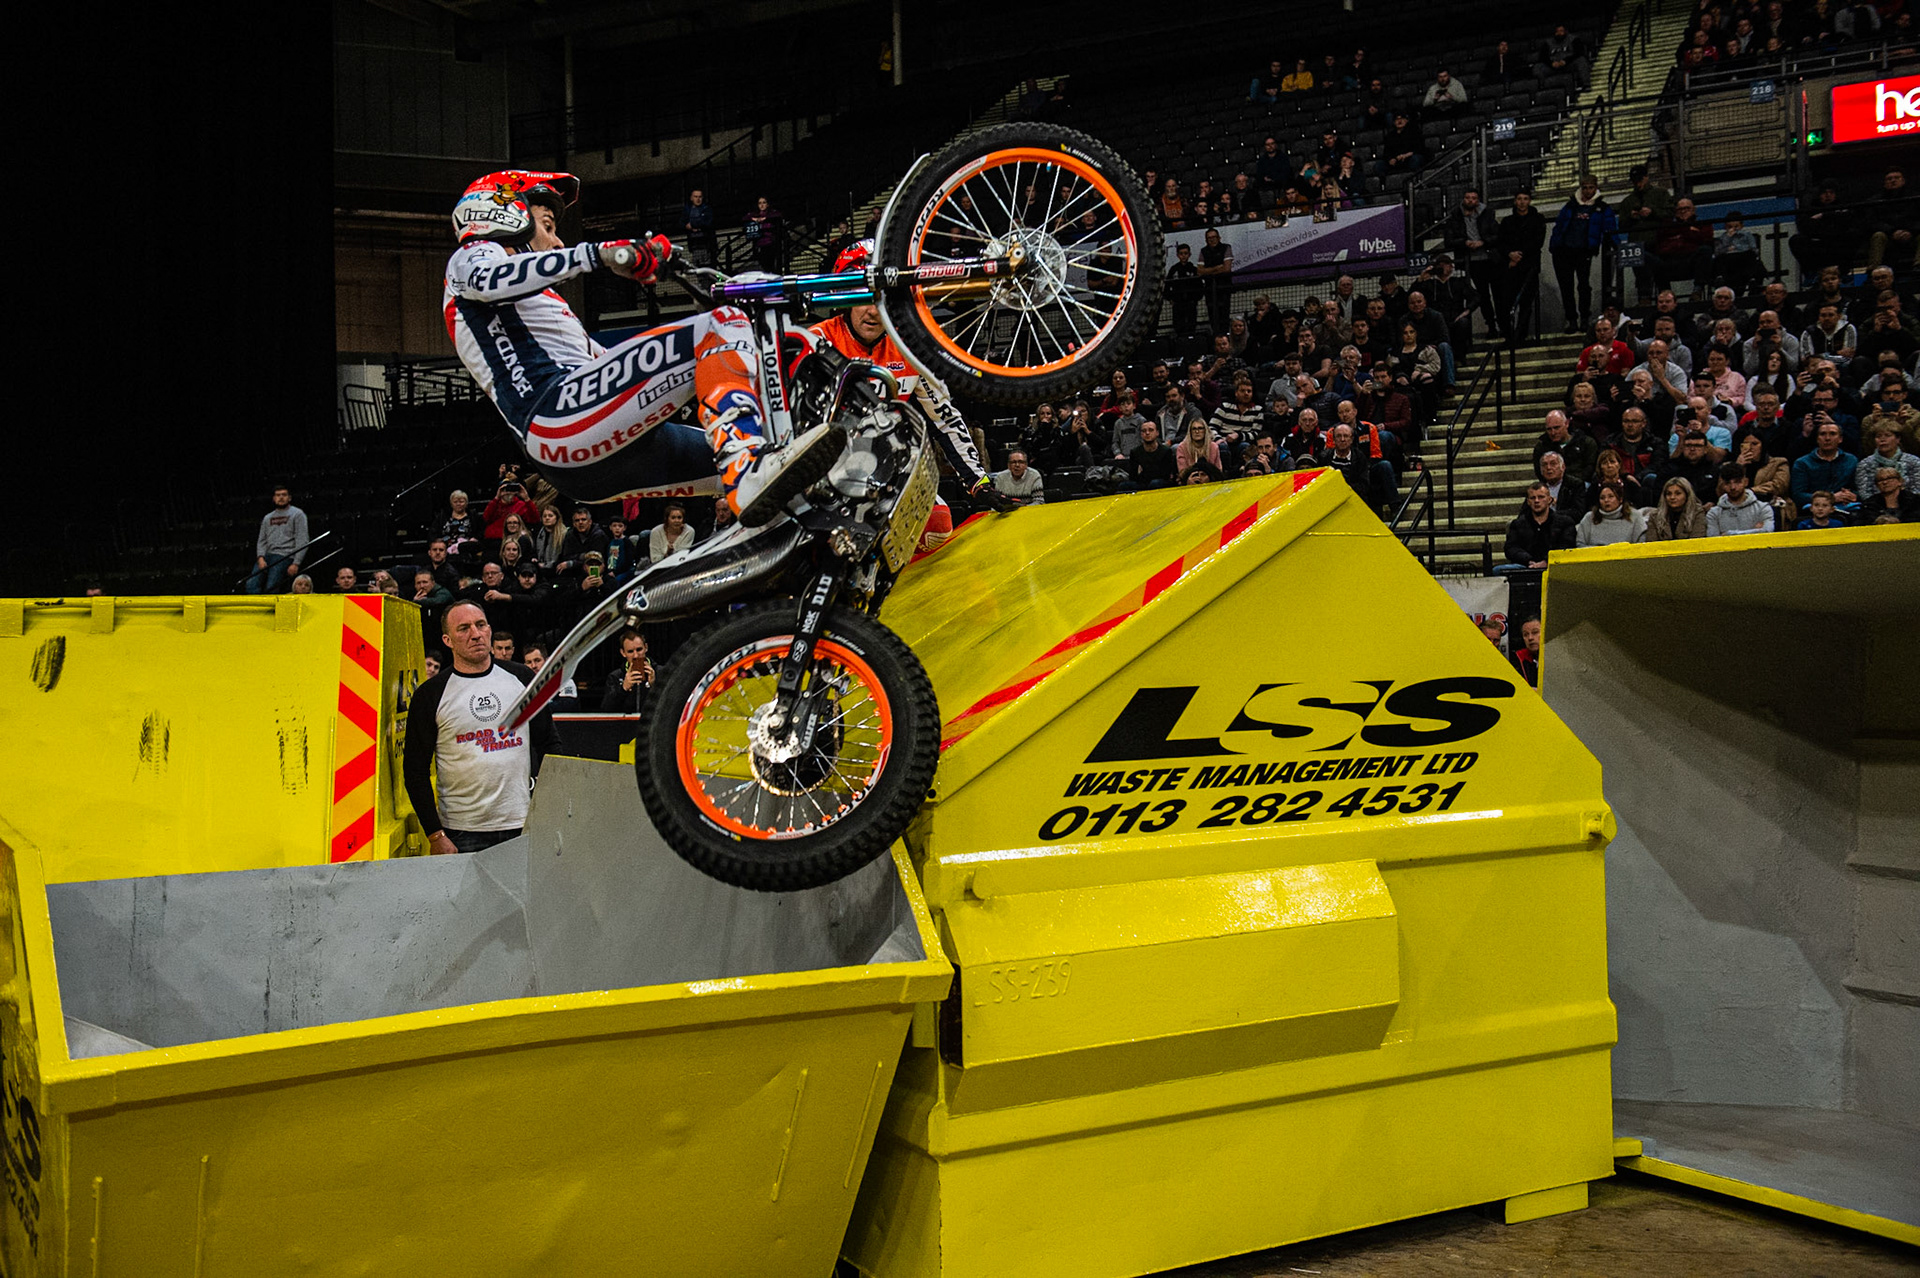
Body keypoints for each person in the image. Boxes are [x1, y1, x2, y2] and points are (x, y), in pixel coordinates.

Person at [444, 170, 844, 527]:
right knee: (722, 325)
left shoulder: (539, 304)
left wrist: (694, 381)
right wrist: (601, 254)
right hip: (558, 418)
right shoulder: (473, 256)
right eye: (547, 224)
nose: (557, 239)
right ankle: (747, 469)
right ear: (505, 214)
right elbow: (488, 278)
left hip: (589, 442)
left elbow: (607, 369)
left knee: (790, 475)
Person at [804, 241, 999, 500]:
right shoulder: (813, 341)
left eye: (883, 298)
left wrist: (979, 483)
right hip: (820, 469)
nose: (873, 311)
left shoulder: (911, 347)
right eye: (863, 296)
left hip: (882, 468)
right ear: (844, 296)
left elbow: (945, 419)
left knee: (940, 522)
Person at [402, 601, 556, 856]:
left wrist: (549, 807)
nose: (475, 634)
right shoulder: (430, 695)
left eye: (480, 625)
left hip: (523, 823)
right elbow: (415, 771)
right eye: (463, 628)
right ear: (447, 639)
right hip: (461, 831)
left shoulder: (523, 679)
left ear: (489, 629)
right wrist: (435, 834)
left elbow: (549, 743)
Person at [1550, 175, 1618, 333]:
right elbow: (1559, 226)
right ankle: (1572, 319)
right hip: (1563, 251)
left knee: (1584, 286)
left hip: (1584, 252)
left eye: (1591, 187)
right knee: (1566, 287)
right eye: (1585, 187)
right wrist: (1554, 245)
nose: (1588, 191)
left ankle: (1585, 319)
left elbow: (1610, 229)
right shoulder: (1570, 206)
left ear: (1595, 188)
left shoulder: (1602, 208)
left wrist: (1616, 245)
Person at [1494, 191, 1547, 339]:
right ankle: (1508, 333)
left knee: (1526, 303)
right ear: (1515, 201)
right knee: (1506, 301)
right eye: (1519, 199)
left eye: (1525, 199)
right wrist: (1510, 254)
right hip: (1510, 266)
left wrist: (1519, 256)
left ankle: (1521, 334)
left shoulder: (1537, 219)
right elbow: (1500, 242)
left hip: (1529, 267)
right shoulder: (1507, 221)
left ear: (1529, 201)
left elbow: (1537, 242)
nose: (1522, 202)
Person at [1501, 482, 1577, 571]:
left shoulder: (1565, 522)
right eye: (1532, 498)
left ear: (1549, 499)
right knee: (1498, 570)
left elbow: (1566, 547)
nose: (1536, 501)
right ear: (1528, 501)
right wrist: (1529, 560)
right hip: (1525, 565)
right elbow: (1511, 548)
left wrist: (1546, 561)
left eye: (1541, 497)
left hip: (1556, 565)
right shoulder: (1518, 524)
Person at [247, 484, 308, 594]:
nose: (281, 497)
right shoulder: (267, 517)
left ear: (289, 498)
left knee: (272, 586)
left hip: (285, 555)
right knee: (251, 584)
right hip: (267, 555)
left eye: (284, 495)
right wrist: (260, 557)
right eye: (278, 495)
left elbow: (302, 540)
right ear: (274, 498)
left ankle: (272, 610)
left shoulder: (298, 514)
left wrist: (296, 563)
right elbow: (262, 540)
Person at [1790, 419, 1859, 507]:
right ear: (1817, 439)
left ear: (1840, 439)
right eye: (1823, 434)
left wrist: (1851, 495)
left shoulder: (1851, 460)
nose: (1827, 438)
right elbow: (1798, 495)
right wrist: (1831, 498)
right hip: (1813, 510)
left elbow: (1858, 490)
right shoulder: (1802, 463)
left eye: (1832, 434)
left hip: (1846, 508)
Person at [1705, 461, 1775, 535]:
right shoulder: (1714, 514)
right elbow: (1713, 542)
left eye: (1737, 482)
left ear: (1746, 482)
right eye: (1728, 483)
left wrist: (1728, 534)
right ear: (1722, 485)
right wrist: (1755, 531)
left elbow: (1767, 532)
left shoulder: (1763, 509)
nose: (1733, 487)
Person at [599, 629, 656, 712]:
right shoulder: (615, 676)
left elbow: (672, 706)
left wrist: (655, 685)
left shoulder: (662, 672)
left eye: (639, 649)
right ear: (623, 653)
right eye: (630, 651)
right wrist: (623, 688)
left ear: (646, 648)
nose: (636, 655)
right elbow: (606, 710)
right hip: (625, 724)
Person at [1576, 482, 1646, 545]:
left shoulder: (1635, 516)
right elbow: (1580, 544)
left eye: (1611, 496)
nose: (1606, 500)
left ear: (1620, 499)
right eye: (1602, 498)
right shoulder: (1589, 517)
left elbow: (1641, 544)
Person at [1198, 229, 1235, 337]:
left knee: (1224, 314)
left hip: (1223, 288)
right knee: (1212, 315)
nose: (1212, 240)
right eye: (1209, 238)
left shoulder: (1226, 248)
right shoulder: (1203, 251)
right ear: (1206, 240)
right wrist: (1217, 268)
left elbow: (1227, 268)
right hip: (1209, 290)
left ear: (1219, 238)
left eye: (1214, 237)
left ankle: (1224, 338)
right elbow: (1200, 271)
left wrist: (1208, 270)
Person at [1127, 420, 1178, 489]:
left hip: (1160, 484)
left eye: (1151, 430)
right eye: (1144, 431)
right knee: (1125, 485)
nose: (1147, 433)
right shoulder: (1135, 452)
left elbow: (1166, 476)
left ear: (1157, 433)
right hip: (1142, 484)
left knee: (1155, 483)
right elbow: (1133, 476)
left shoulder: (1166, 451)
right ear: (1141, 434)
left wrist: (1143, 472)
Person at [1509, 616, 1542, 688]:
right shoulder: (1518, 659)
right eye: (1526, 634)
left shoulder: (1558, 656)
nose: (1530, 638)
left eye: (1535, 632)